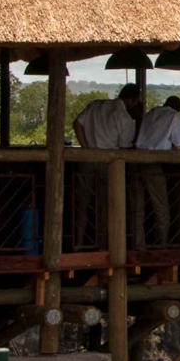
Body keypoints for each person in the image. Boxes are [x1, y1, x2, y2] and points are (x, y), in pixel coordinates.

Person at [71, 84, 143, 244]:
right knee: (106, 205)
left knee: (82, 205)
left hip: (87, 159)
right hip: (109, 163)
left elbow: (77, 123)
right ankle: (103, 246)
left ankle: (78, 243)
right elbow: (125, 146)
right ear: (132, 100)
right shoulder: (124, 117)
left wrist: (86, 148)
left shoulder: (96, 104)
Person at [132, 95, 180, 246]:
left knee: (137, 209)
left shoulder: (151, 113)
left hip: (136, 161)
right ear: (178, 107)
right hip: (153, 164)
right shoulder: (175, 116)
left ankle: (139, 244)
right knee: (161, 207)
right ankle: (162, 244)